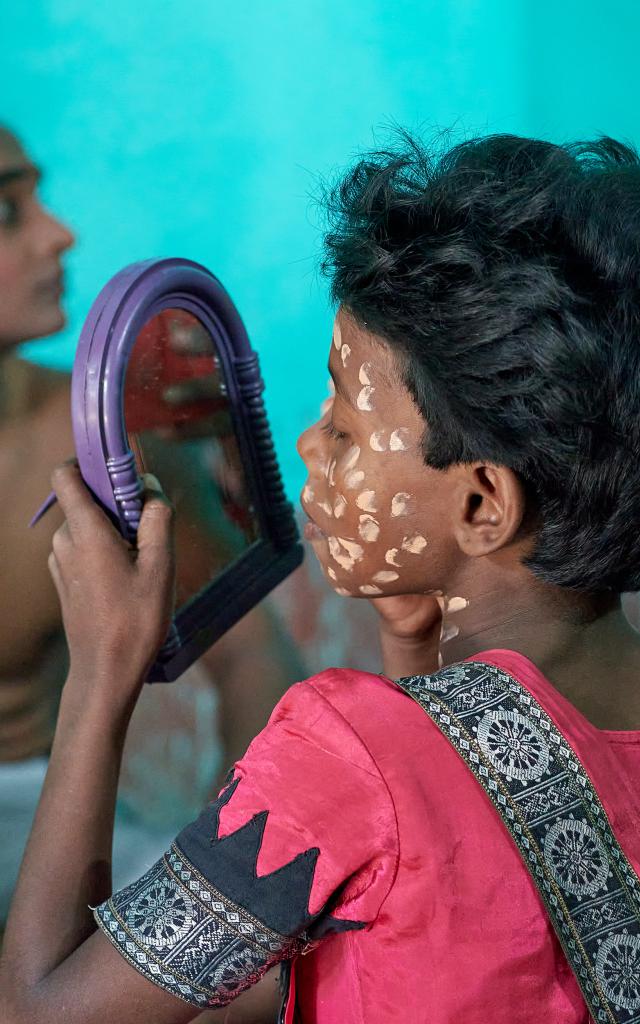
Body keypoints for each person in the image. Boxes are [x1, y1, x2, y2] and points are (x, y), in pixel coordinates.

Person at [2, 131, 640, 1023]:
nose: (309, 443)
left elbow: (35, 1014)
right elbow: (455, 859)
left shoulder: (338, 756)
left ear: (482, 505)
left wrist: (100, 678)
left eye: (343, 425)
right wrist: (417, 651)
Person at [0, 126, 303, 934]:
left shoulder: (96, 441)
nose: (59, 232)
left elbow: (251, 657)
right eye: (6, 210)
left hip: (39, 822)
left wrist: (223, 890)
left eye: (36, 194)